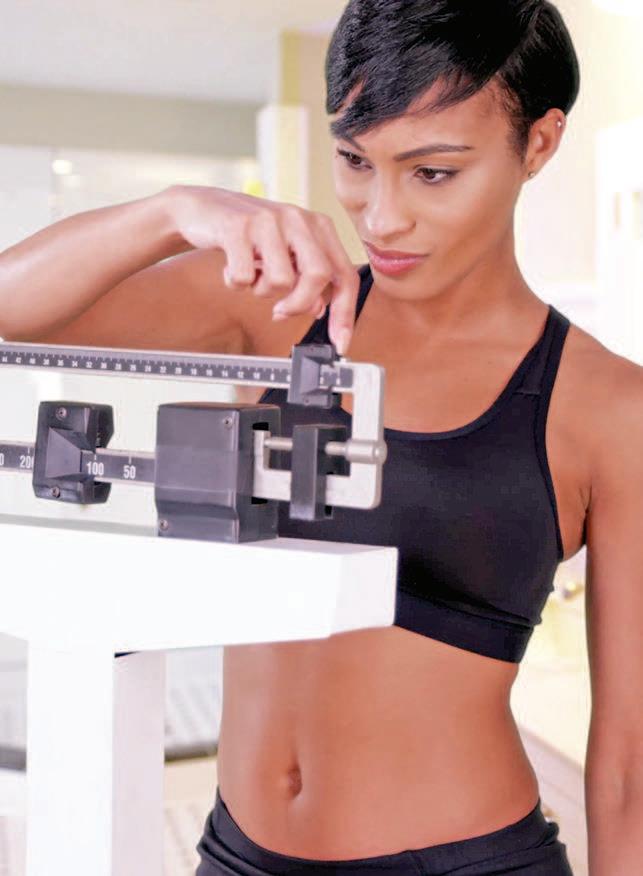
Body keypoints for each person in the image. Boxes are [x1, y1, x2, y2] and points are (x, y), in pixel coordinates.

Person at [1, 1, 642, 873]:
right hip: (236, 854)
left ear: (538, 142)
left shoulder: (606, 405)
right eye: (354, 161)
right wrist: (172, 211)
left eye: (432, 173)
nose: (380, 217)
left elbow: (627, 765)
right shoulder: (276, 308)